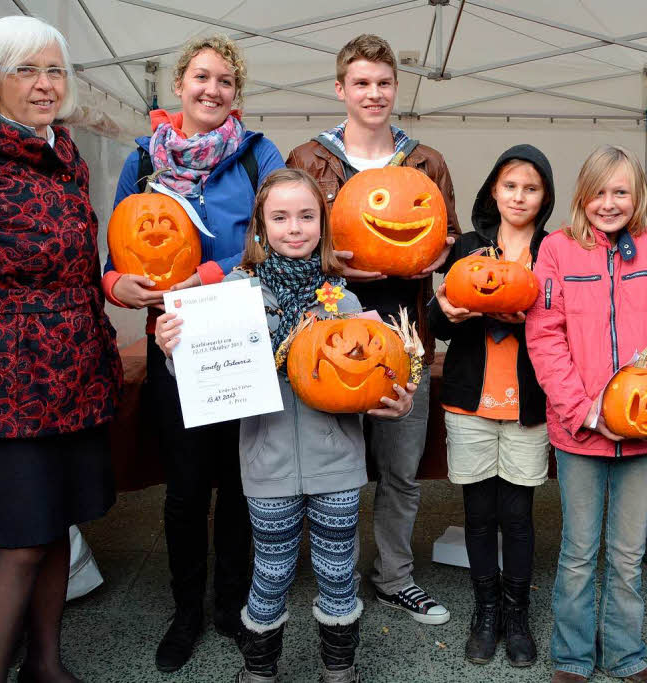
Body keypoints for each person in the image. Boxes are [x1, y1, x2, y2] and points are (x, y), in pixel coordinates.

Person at [0, 16, 122, 683]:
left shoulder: (63, 155)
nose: (43, 85)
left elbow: (77, 268)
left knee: (59, 525)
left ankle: (47, 664)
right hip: (9, 381)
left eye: (54, 70)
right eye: (26, 70)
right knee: (23, 539)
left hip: (77, 374)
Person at [155, 168, 416, 683]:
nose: (293, 228)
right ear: (259, 226)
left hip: (338, 467)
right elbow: (199, 365)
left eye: (306, 216)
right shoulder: (233, 296)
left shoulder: (344, 303)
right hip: (266, 467)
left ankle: (338, 670)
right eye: (280, 217)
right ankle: (259, 672)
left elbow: (376, 372)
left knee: (339, 575)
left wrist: (400, 400)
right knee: (270, 574)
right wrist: (172, 347)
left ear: (323, 225)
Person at [104, 35, 285, 672]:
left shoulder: (260, 155)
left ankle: (231, 604)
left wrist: (208, 276)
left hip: (242, 332)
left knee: (239, 483)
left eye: (225, 82)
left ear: (237, 93)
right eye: (201, 77)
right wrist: (114, 285)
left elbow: (283, 239)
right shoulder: (141, 162)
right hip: (172, 339)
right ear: (180, 84)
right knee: (184, 488)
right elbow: (117, 254)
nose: (212, 90)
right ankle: (185, 611)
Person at [286, 33, 460, 625]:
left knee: (400, 470)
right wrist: (334, 261)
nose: (374, 93)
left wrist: (438, 255)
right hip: (327, 336)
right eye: (361, 83)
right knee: (324, 472)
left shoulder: (426, 162)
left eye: (383, 83)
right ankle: (328, 581)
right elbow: (287, 238)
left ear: (395, 88)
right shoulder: (308, 160)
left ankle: (393, 576)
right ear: (341, 89)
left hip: (406, 337)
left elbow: (451, 237)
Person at [525, 146, 647, 683]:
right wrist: (582, 410)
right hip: (581, 433)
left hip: (645, 432)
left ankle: (625, 655)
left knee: (626, 553)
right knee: (578, 551)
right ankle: (572, 658)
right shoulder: (556, 250)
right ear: (582, 195)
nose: (609, 202)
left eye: (621, 192)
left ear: (638, 196)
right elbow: (545, 337)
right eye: (599, 191)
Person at [429, 145, 554, 667]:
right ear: (493, 191)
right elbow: (435, 326)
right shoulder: (471, 250)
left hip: (528, 405)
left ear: (545, 196)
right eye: (510, 186)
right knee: (479, 515)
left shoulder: (555, 252)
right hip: (470, 404)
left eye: (530, 187)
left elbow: (568, 326)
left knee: (518, 515)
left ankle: (516, 614)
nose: (519, 196)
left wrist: (537, 322)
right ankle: (485, 613)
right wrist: (450, 315)